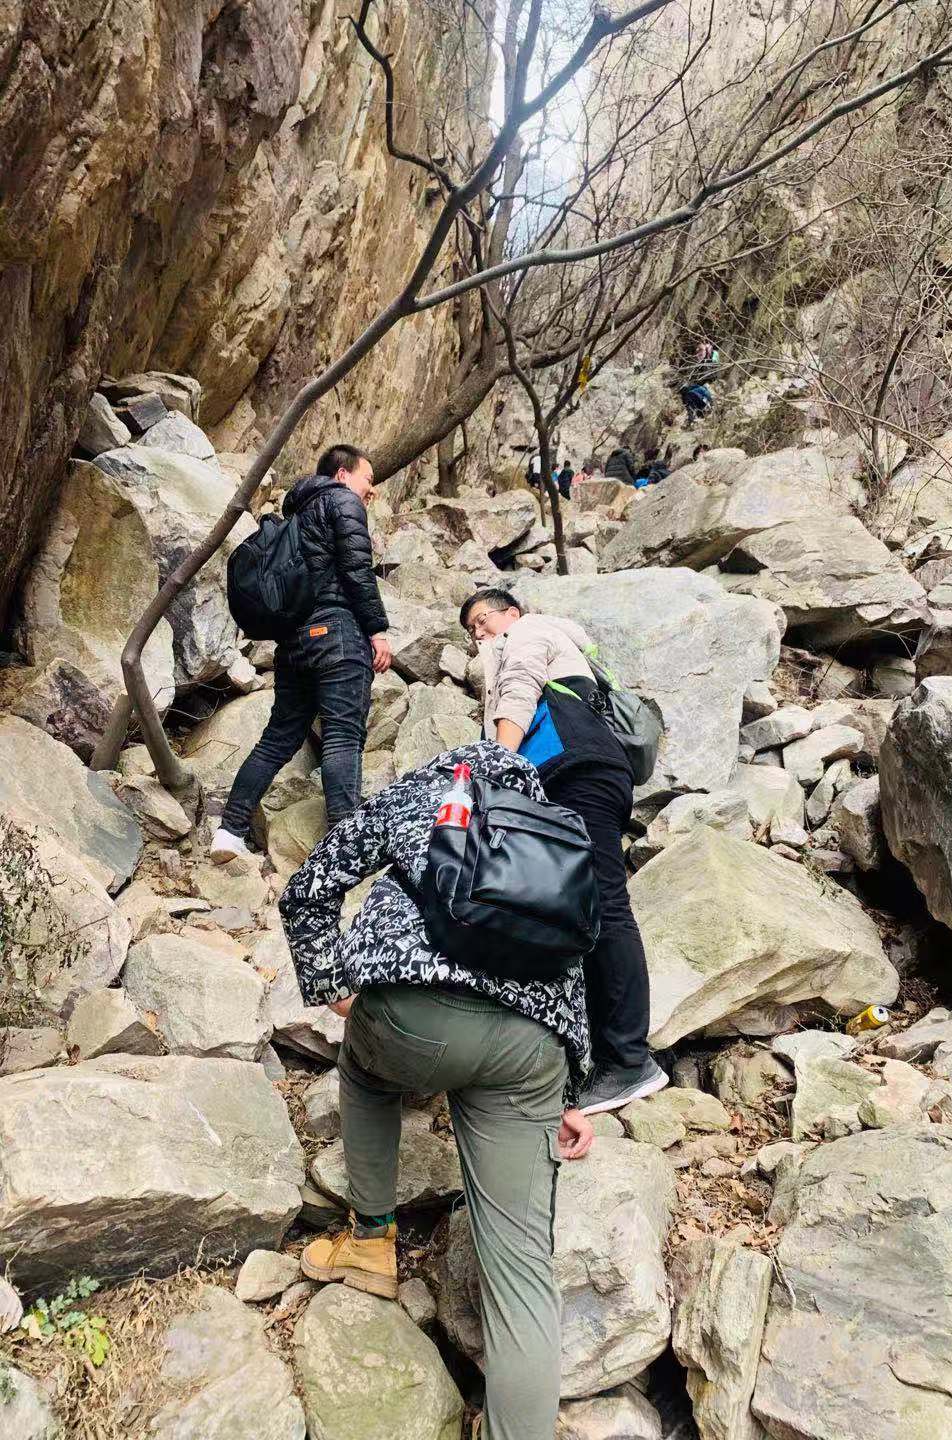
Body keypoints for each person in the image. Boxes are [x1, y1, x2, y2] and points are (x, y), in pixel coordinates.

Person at [279, 742, 594, 1440]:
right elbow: (577, 966)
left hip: (414, 1022)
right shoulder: (554, 833)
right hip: (532, 1053)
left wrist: (335, 989)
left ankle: (370, 1242)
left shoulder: (422, 795)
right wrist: (571, 1091)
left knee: (363, 1066)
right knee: (521, 1276)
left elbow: (307, 890)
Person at [460, 588, 668, 1116]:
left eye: (482, 621)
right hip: (571, 775)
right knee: (573, 911)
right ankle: (598, 1054)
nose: (478, 634)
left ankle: (629, 1061)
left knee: (603, 903)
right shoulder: (551, 644)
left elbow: (519, 688)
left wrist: (494, 765)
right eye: (471, 631)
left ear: (513, 613)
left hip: (577, 771)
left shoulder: (530, 632)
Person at [210, 445, 392, 863]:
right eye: (369, 479)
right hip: (338, 637)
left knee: (277, 741)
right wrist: (378, 630)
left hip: (294, 644)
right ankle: (345, 846)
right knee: (343, 736)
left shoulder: (296, 515)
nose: (372, 491)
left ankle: (229, 831)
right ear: (343, 475)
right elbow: (357, 570)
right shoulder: (342, 500)